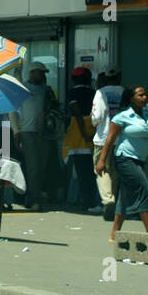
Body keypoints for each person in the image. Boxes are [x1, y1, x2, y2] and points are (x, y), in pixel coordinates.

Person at [96, 85, 148, 241]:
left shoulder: (147, 115)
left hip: (140, 159)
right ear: (132, 98)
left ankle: (114, 233)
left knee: (125, 196)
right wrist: (101, 161)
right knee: (145, 190)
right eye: (140, 95)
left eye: (145, 95)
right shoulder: (122, 117)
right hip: (124, 158)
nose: (144, 97)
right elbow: (110, 139)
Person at [10, 63, 54, 210]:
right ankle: (33, 199)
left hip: (43, 132)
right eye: (41, 73)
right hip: (27, 131)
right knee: (33, 167)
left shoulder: (45, 90)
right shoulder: (22, 88)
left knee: (42, 166)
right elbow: (13, 111)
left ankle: (35, 195)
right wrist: (16, 131)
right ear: (33, 73)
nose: (44, 76)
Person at [88, 67, 122, 221]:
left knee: (101, 169)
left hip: (103, 137)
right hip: (120, 138)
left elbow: (97, 117)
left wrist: (92, 117)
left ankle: (109, 201)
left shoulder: (100, 92)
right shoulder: (125, 92)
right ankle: (113, 199)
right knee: (114, 171)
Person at [62, 78, 99, 213]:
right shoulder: (95, 92)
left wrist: (82, 131)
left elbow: (76, 111)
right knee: (91, 171)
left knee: (81, 172)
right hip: (93, 133)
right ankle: (90, 200)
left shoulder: (73, 92)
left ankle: (86, 201)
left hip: (78, 136)